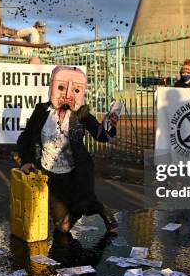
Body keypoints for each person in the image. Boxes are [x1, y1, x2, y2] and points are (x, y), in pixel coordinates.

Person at [17, 66, 119, 233]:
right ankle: (76, 209)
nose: (67, 94)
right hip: (50, 173)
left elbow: (101, 136)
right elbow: (25, 137)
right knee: (62, 227)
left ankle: (101, 209)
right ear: (53, 87)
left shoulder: (82, 113)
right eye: (62, 88)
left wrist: (110, 124)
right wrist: (27, 161)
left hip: (76, 171)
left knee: (85, 203)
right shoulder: (41, 111)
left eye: (75, 89)